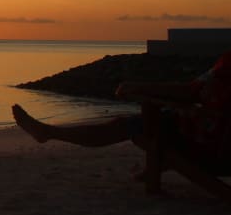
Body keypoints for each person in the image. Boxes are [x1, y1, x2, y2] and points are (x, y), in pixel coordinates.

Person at [12, 52, 231, 167]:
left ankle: (48, 132)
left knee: (124, 125)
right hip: (212, 134)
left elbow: (191, 92)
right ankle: (157, 167)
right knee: (140, 121)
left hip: (206, 140)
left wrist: (139, 87)